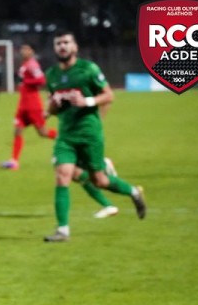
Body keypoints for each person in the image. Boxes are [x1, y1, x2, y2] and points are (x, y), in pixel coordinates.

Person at [43, 30, 147, 242]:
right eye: (58, 43)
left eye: (66, 42)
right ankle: (63, 231)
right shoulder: (51, 75)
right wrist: (52, 107)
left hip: (90, 134)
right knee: (63, 174)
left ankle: (134, 192)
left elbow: (109, 95)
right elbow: (52, 108)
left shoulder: (88, 69)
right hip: (66, 136)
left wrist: (87, 102)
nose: (62, 46)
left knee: (99, 180)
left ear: (75, 47)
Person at [0, 43, 57, 170]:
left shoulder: (32, 64)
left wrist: (26, 82)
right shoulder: (25, 65)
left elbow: (42, 80)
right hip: (23, 105)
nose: (23, 51)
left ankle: (65, 139)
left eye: (26, 49)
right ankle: (14, 161)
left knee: (43, 132)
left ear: (32, 51)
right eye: (22, 49)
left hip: (33, 105)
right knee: (17, 130)